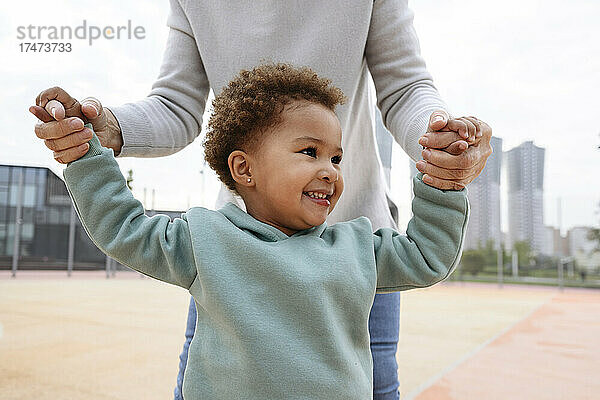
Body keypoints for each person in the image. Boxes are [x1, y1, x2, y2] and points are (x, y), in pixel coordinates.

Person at [29, 2, 493, 398]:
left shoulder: (359, 251)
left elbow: (405, 90)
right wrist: (92, 145)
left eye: (337, 157)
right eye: (311, 152)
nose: (332, 170)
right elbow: (130, 206)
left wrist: (441, 168)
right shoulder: (208, 245)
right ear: (242, 169)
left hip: (364, 229)